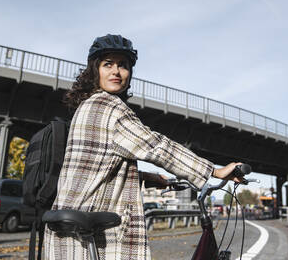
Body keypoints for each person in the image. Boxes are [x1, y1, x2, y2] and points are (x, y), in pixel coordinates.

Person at [44, 34, 242, 260]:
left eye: (123, 65)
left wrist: (147, 177)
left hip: (70, 231)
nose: (116, 71)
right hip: (94, 235)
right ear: (95, 70)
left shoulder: (87, 104)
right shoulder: (108, 106)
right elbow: (156, 146)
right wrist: (212, 171)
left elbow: (97, 166)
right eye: (108, 64)